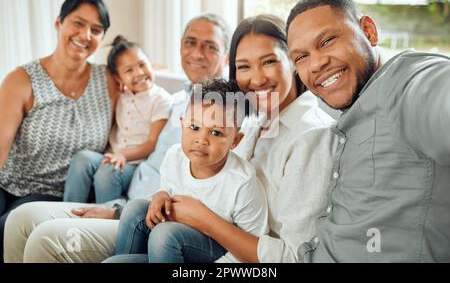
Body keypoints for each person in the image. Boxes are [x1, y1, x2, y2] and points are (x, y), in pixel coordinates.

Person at [108, 14, 338, 263]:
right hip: (195, 241)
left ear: (293, 60)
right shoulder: (254, 122)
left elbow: (296, 258)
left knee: (164, 236)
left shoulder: (312, 136)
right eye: (244, 67)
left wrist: (202, 219)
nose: (257, 79)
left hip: (244, 259)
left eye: (269, 61)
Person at [4, 13, 230, 263]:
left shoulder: (223, 115)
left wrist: (118, 211)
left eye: (210, 46)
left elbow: (200, 192)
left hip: (143, 217)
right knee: (20, 218)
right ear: (180, 47)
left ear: (226, 57)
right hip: (123, 200)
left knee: (45, 239)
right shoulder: (175, 101)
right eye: (190, 42)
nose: (197, 53)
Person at [285, 0, 450, 262]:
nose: (316, 64)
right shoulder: (348, 107)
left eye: (327, 41)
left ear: (369, 32)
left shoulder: (405, 84)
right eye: (301, 57)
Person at [0, 0, 116, 261]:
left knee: (6, 228)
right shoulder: (21, 80)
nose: (85, 35)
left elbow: (141, 98)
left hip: (60, 194)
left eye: (96, 30)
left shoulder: (108, 80)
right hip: (9, 184)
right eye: (77, 23)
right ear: (58, 23)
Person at [110, 79, 268, 263]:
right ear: (182, 124)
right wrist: (161, 194)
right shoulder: (174, 156)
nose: (201, 140)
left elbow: (254, 252)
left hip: (216, 253)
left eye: (216, 132)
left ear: (235, 141)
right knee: (135, 210)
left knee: (164, 234)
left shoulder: (243, 182)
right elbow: (169, 188)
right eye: (194, 127)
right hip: (171, 249)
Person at [63, 36, 172, 203]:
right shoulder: (122, 95)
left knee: (108, 171)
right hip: (113, 156)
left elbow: (151, 143)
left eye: (142, 64)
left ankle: (105, 219)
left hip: (135, 163)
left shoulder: (161, 99)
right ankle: (68, 210)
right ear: (119, 78)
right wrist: (113, 153)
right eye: (129, 70)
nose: (139, 73)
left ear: (151, 64)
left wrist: (122, 155)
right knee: (82, 158)